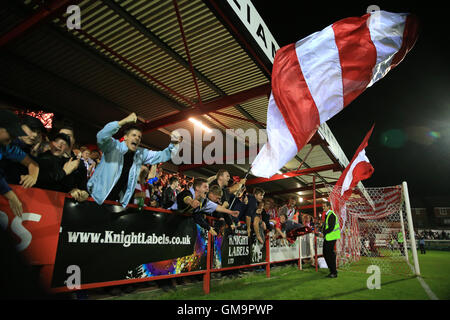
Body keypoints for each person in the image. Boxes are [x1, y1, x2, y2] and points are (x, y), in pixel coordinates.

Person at [87, 112, 181, 208]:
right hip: (94, 199)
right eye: (134, 135)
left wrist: (173, 144)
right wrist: (123, 122)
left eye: (139, 137)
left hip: (113, 202)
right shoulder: (113, 147)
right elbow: (101, 136)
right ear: (125, 137)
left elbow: (162, 156)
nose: (137, 138)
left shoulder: (140, 154)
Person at [0, 110, 40, 217]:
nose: (14, 137)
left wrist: (32, 176)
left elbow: (32, 163)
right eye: (11, 132)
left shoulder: (7, 146)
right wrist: (11, 196)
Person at [170, 178, 239, 235]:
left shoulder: (204, 201)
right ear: (197, 188)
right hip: (168, 221)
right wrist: (191, 202)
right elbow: (186, 197)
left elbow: (217, 207)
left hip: (178, 227)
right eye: (205, 187)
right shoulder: (187, 193)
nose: (208, 189)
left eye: (208, 187)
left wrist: (231, 212)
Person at [34, 133, 89, 202]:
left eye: (63, 144)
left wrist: (77, 192)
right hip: (38, 200)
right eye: (56, 142)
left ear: (67, 148)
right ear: (51, 143)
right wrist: (64, 171)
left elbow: (66, 184)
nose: (59, 145)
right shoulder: (43, 158)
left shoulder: (70, 163)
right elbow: (43, 180)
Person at [321, 202, 340, 278]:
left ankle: (333, 272)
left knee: (328, 254)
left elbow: (331, 228)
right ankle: (333, 270)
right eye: (323, 206)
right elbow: (327, 226)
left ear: (328, 207)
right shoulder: (328, 215)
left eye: (324, 206)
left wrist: (323, 233)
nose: (323, 207)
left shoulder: (331, 215)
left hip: (331, 237)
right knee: (326, 254)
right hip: (329, 237)